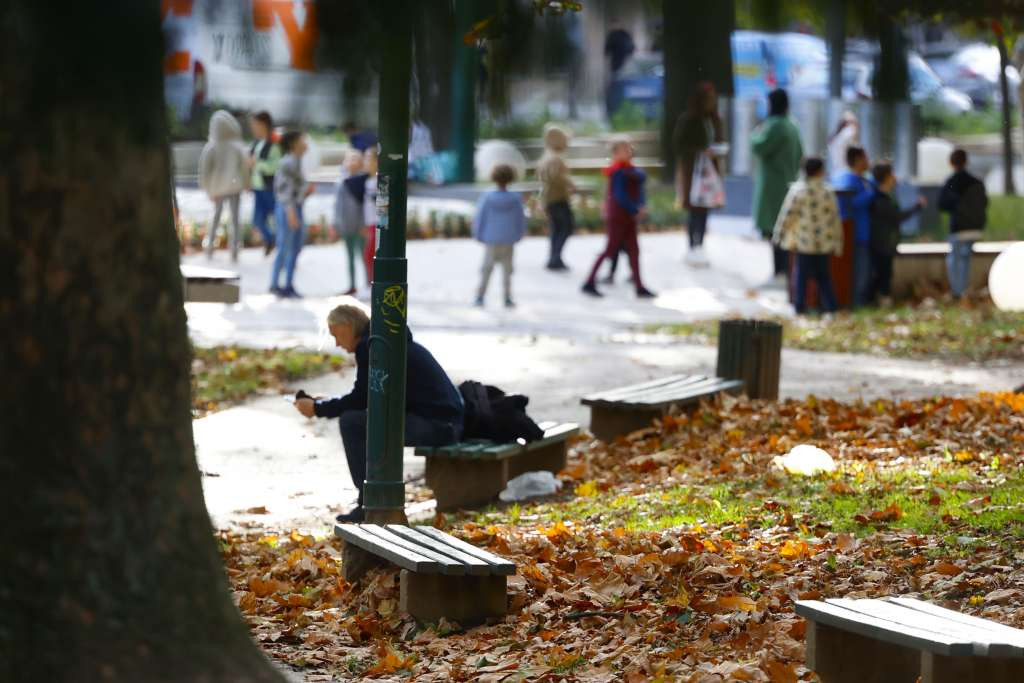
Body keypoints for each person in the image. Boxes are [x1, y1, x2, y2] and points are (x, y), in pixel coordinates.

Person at [294, 304, 464, 523]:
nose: (336, 343)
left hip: (437, 426)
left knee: (351, 423)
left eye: (336, 335)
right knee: (359, 420)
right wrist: (326, 402)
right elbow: (371, 396)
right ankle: (370, 499)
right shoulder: (385, 340)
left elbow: (361, 398)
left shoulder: (371, 346)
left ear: (348, 326)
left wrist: (318, 409)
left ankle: (369, 501)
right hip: (446, 423)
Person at [582, 136, 656, 299]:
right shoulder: (618, 172)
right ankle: (589, 281)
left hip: (628, 216)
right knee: (610, 249)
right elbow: (620, 195)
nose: (629, 151)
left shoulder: (631, 171)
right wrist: (635, 209)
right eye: (625, 149)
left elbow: (639, 187)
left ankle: (639, 285)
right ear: (615, 153)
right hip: (619, 216)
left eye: (629, 148)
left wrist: (640, 207)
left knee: (634, 250)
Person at [773, 158, 843, 315]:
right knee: (824, 276)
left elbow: (787, 214)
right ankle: (831, 308)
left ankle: (800, 307)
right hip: (824, 243)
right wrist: (838, 243)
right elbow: (835, 218)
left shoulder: (798, 190)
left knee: (801, 275)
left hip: (804, 242)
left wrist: (779, 234)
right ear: (820, 171)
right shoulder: (827, 192)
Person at [751, 89, 804, 280]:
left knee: (775, 228)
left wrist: (756, 131)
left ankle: (779, 270)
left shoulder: (774, 126)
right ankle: (786, 270)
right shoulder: (792, 125)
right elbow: (801, 153)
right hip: (790, 180)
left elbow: (758, 145)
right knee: (786, 228)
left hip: (774, 185)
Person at [673, 82, 727, 267]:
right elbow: (678, 145)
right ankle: (692, 246)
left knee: (704, 210)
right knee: (693, 209)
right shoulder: (688, 119)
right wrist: (700, 151)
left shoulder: (715, 120)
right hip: (692, 171)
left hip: (710, 172)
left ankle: (700, 246)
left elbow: (719, 140)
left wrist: (717, 151)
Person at [869, 163, 926, 306]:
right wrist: (917, 207)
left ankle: (879, 299)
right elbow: (896, 216)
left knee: (884, 272)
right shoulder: (879, 199)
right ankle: (880, 299)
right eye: (892, 175)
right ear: (886, 178)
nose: (895, 178)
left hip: (887, 242)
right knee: (883, 273)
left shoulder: (887, 197)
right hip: (882, 243)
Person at [473, 165, 527, 308]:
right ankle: (507, 297)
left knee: (486, 269)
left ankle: (480, 296)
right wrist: (519, 234)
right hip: (508, 239)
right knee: (507, 270)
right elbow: (520, 219)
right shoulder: (515, 198)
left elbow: (480, 217)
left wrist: (478, 234)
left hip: (491, 238)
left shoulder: (487, 197)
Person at [938, 149, 988, 300]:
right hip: (976, 227)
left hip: (959, 229)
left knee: (955, 260)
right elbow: (985, 202)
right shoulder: (977, 181)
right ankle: (964, 290)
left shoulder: (952, 182)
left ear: (951, 163)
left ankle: (957, 292)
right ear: (966, 161)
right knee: (965, 259)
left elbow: (942, 204)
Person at [270, 131, 314, 298]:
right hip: (289, 209)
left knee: (294, 248)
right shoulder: (288, 162)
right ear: (294, 143)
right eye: (302, 139)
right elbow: (284, 190)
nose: (306, 142)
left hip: (294, 208)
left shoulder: (296, 161)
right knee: (285, 247)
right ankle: (276, 285)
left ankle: (287, 285)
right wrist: (291, 212)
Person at [198, 110, 246, 262]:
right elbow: (244, 168)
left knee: (216, 217)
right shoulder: (237, 146)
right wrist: (247, 183)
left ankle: (210, 247)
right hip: (235, 187)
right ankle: (234, 249)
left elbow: (204, 171)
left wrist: (207, 189)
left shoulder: (211, 147)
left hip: (217, 189)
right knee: (235, 218)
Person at [833, 146, 876, 307]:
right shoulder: (846, 179)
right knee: (859, 272)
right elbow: (847, 203)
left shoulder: (865, 180)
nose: (868, 162)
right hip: (853, 233)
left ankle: (860, 301)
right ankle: (855, 303)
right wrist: (869, 194)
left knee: (864, 270)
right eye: (865, 158)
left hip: (864, 234)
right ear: (858, 160)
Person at [537, 124, 577, 271]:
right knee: (566, 227)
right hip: (558, 198)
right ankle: (555, 257)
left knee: (556, 229)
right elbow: (556, 176)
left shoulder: (547, 157)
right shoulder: (555, 159)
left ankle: (554, 257)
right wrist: (570, 184)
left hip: (549, 199)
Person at [334, 150, 369, 296]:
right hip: (346, 225)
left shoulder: (365, 181)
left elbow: (366, 206)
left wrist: (364, 224)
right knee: (350, 258)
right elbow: (337, 206)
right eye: (349, 159)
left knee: (364, 256)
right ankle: (352, 285)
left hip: (361, 226)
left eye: (355, 159)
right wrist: (336, 224)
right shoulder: (342, 182)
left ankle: (368, 284)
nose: (352, 162)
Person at [247, 111, 281, 256]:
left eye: (255, 125)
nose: (253, 128)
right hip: (258, 188)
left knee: (276, 218)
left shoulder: (274, 143)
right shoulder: (256, 143)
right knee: (257, 220)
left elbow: (275, 166)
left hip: (269, 188)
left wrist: (258, 163)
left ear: (263, 124)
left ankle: (280, 244)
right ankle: (271, 240)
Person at [362, 148, 379, 284]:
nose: (365, 162)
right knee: (368, 255)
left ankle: (373, 283)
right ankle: (370, 283)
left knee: (370, 255)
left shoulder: (380, 180)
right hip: (369, 223)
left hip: (376, 223)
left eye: (368, 159)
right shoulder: (368, 180)